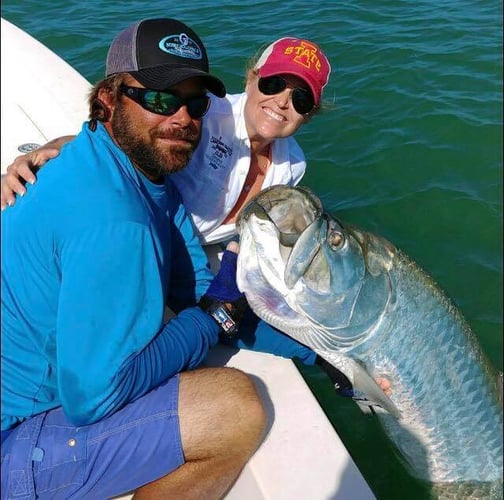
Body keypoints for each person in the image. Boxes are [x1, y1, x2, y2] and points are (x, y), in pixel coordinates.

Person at [1, 18, 267, 499]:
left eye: (195, 102)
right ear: (107, 99)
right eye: (161, 99)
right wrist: (213, 323)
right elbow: (93, 399)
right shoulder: (117, 222)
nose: (182, 118)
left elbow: (191, 275)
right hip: (12, 437)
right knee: (236, 408)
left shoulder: (123, 167)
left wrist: (322, 351)